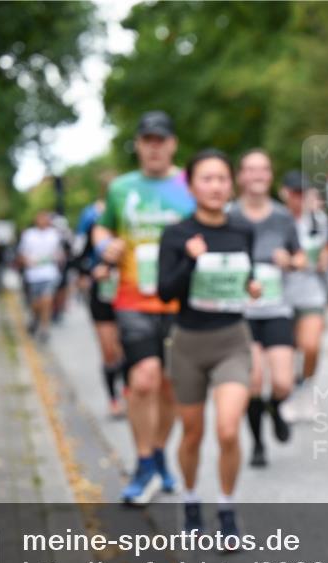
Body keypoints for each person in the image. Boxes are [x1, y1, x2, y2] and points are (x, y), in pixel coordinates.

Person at [156, 149, 261, 537]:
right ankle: (190, 498)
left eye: (222, 178)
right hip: (187, 343)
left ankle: (228, 508)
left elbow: (244, 280)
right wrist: (190, 260)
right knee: (193, 432)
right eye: (207, 179)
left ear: (231, 183)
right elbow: (166, 292)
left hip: (232, 340)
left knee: (229, 429)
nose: (216, 186)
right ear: (192, 185)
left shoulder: (241, 230)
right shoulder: (178, 234)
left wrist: (252, 287)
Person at [92, 111, 195, 504]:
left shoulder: (189, 184)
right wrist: (104, 245)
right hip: (133, 299)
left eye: (161, 139)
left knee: (169, 387)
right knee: (143, 380)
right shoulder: (121, 188)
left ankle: (157, 457)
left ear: (172, 144)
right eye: (147, 139)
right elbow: (103, 226)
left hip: (178, 300)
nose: (154, 146)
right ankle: (142, 462)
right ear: (137, 144)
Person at [229, 149, 305, 468]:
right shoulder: (229, 215)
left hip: (277, 308)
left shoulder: (282, 216)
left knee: (284, 382)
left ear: (270, 176)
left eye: (263, 170)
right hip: (243, 311)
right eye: (251, 169)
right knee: (254, 382)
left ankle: (276, 408)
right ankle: (259, 444)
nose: (258, 175)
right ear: (241, 176)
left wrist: (290, 261)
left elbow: (300, 257)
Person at [280, 171, 328, 422]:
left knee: (311, 345)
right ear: (285, 193)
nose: (298, 198)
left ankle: (306, 387)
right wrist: (289, 261)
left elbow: (327, 249)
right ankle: (288, 392)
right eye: (294, 193)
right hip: (280, 293)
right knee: (287, 349)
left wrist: (324, 259)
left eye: (302, 193)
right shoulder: (276, 219)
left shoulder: (317, 220)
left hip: (312, 291)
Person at [75, 174, 125, 419]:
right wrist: (89, 271)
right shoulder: (91, 216)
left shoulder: (135, 214)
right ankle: (113, 399)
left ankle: (128, 392)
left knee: (126, 347)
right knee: (109, 350)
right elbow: (78, 251)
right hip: (103, 288)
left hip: (129, 288)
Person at [17, 211, 63, 343]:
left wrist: (58, 258)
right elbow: (21, 254)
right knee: (36, 304)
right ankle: (35, 318)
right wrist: (27, 261)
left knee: (47, 301)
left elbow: (60, 252)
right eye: (41, 218)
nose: (43, 221)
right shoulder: (29, 235)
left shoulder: (54, 235)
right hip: (33, 275)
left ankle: (45, 329)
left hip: (49, 273)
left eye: (46, 218)